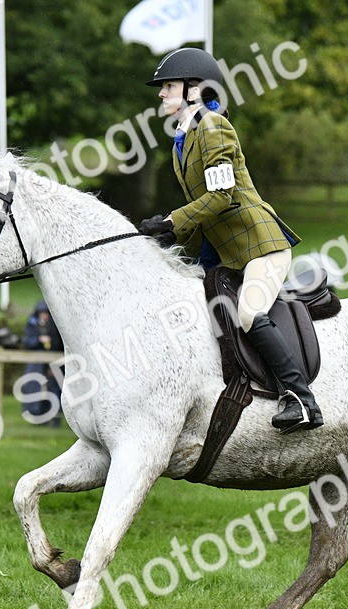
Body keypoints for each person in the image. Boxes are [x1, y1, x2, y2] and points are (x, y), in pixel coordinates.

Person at [136, 48, 319, 433]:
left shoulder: (214, 126)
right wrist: (167, 243)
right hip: (224, 250)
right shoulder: (183, 140)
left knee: (251, 314)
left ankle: (301, 398)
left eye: (167, 86)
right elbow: (204, 210)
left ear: (193, 89)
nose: (161, 94)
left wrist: (171, 221)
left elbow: (222, 197)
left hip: (261, 245)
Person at [21, 300, 64, 425]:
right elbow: (27, 342)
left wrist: (53, 366)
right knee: (34, 388)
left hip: (53, 364)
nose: (44, 315)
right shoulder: (32, 323)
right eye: (42, 313)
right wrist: (38, 340)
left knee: (54, 390)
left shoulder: (54, 326)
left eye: (46, 313)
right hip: (36, 365)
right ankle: (37, 417)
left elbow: (58, 345)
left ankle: (55, 417)